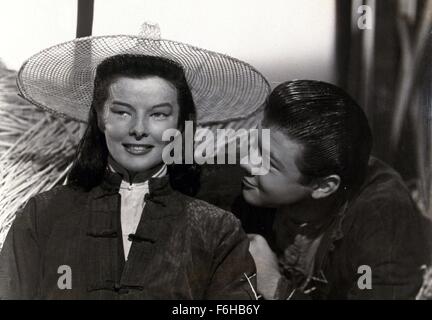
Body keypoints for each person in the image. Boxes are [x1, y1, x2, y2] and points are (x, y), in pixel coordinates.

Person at [0, 36, 270, 299]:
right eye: (122, 112)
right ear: (100, 117)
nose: (139, 129)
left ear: (179, 124)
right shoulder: (43, 214)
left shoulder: (217, 231)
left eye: (158, 114)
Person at [237, 80, 431, 300]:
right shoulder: (263, 175)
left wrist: (275, 286)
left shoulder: (381, 221)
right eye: (254, 144)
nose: (245, 161)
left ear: (323, 186)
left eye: (267, 161)